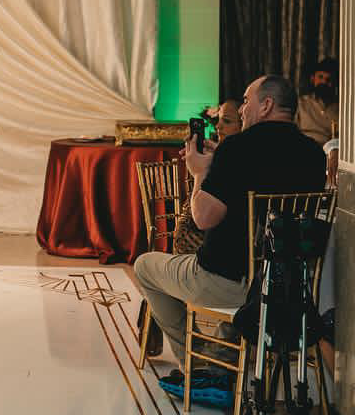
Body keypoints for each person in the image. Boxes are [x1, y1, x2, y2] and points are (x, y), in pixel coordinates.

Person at [133, 75, 328, 396]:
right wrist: (218, 163)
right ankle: (222, 355)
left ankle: (198, 370)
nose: (243, 110)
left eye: (247, 101)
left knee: (144, 266)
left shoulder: (237, 148)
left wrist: (200, 174)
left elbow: (203, 218)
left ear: (266, 105)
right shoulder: (313, 154)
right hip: (287, 286)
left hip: (229, 283)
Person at [170, 99, 241, 256]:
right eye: (218, 120)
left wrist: (202, 171)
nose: (218, 126)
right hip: (188, 244)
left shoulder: (238, 164)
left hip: (208, 251)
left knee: (142, 264)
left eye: (227, 121)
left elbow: (202, 220)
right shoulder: (218, 156)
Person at [295, 57, 337, 146]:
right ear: (312, 79)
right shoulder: (301, 104)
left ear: (334, 83)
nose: (324, 82)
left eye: (328, 79)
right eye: (320, 77)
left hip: (331, 152)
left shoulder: (341, 108)